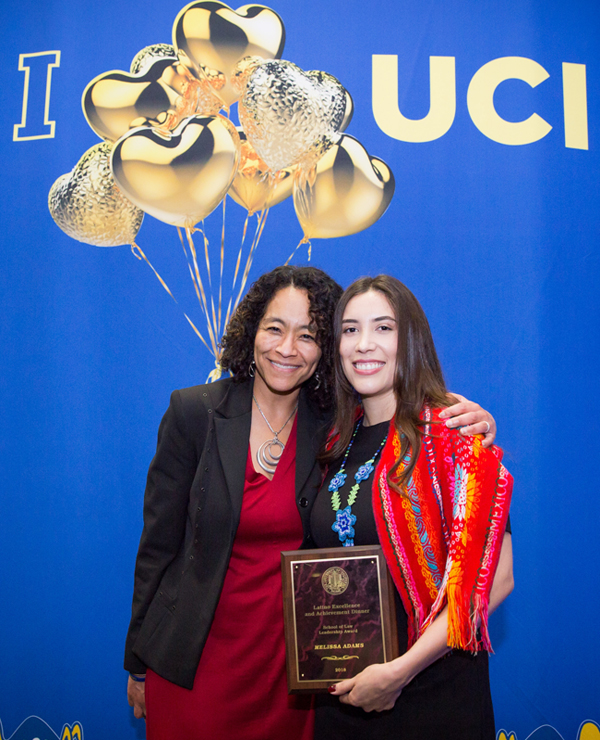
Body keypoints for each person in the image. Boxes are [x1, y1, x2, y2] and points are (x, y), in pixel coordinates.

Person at [124, 266, 499, 740]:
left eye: (308, 335)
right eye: (275, 329)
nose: (287, 348)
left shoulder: (333, 425)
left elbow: (483, 565)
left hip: (297, 670)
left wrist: (469, 423)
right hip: (197, 657)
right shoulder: (195, 413)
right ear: (251, 331)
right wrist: (137, 663)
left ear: (324, 351)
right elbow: (157, 548)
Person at [310, 275, 514, 740]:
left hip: (432, 694)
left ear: (411, 340)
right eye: (350, 329)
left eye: (383, 328)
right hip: (344, 700)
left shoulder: (453, 435)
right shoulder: (332, 440)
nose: (364, 344)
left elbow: (497, 579)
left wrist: (400, 671)